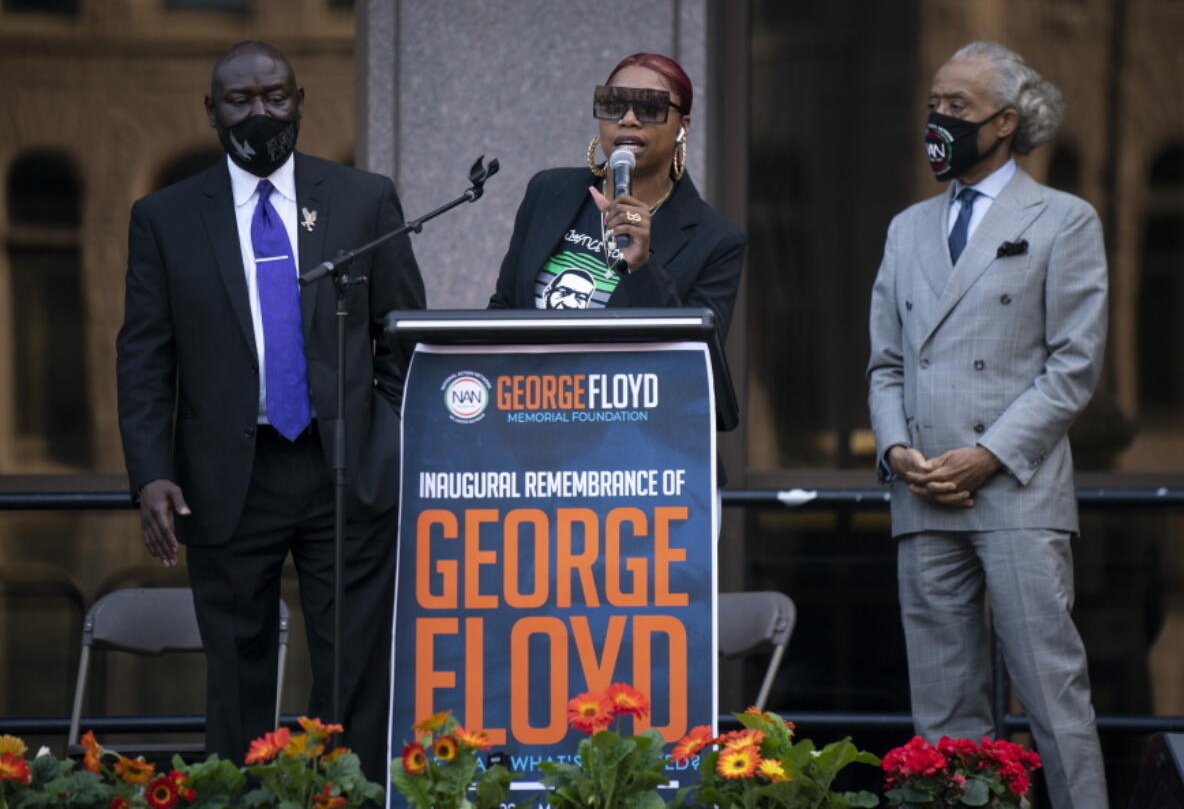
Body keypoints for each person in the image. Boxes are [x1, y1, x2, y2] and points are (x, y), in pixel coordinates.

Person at [116, 40, 425, 782]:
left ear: (300, 100)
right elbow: (145, 357)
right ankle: (238, 798)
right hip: (227, 474)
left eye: (275, 96)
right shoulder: (163, 216)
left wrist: (381, 432)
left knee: (352, 664)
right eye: (241, 100)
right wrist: (150, 473)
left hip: (342, 469)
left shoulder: (362, 198)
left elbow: (404, 334)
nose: (260, 112)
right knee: (237, 668)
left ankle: (346, 797)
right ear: (212, 111)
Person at [866, 41, 1109, 809]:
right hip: (922, 496)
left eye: (958, 108)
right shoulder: (907, 228)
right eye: (934, 104)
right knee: (942, 719)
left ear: (1005, 121)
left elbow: (1074, 366)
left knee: (1052, 699)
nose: (938, 119)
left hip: (1016, 494)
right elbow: (885, 366)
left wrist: (988, 455)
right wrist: (898, 450)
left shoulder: (1065, 219)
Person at [488, 52, 745, 344]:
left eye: (650, 107)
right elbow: (503, 308)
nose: (628, 119)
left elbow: (696, 354)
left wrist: (642, 266)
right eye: (614, 104)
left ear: (682, 126)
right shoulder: (548, 191)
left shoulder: (716, 240)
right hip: (533, 386)